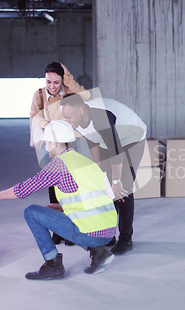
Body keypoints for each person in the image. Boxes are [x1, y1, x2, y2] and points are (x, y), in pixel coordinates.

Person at [0, 120, 117, 280]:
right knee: (52, 211)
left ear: (54, 142)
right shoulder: (82, 160)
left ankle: (53, 265)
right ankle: (99, 252)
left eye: (46, 141)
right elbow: (95, 195)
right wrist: (62, 205)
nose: (44, 144)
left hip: (91, 233)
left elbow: (23, 190)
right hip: (109, 230)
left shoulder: (59, 165)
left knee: (31, 212)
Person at [60, 93, 147, 255]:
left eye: (68, 116)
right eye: (64, 117)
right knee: (105, 187)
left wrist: (116, 180)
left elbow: (116, 150)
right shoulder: (76, 119)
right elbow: (92, 139)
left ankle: (126, 239)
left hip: (132, 138)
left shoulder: (101, 118)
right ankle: (108, 236)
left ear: (80, 110)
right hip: (109, 140)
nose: (66, 121)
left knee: (122, 189)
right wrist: (99, 171)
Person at [29, 62, 90, 245]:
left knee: (72, 186)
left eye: (56, 82)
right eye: (48, 82)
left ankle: (72, 227)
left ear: (62, 80)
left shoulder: (69, 92)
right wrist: (47, 125)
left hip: (71, 143)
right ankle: (58, 229)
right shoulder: (39, 94)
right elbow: (34, 115)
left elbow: (86, 97)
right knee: (54, 186)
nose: (52, 86)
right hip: (51, 143)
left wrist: (69, 78)